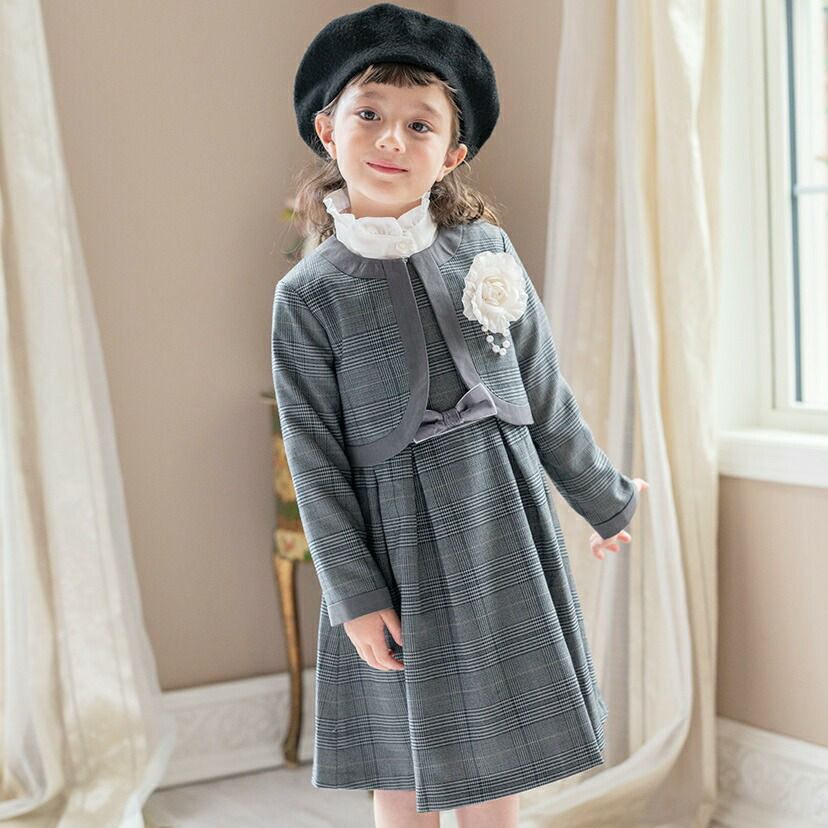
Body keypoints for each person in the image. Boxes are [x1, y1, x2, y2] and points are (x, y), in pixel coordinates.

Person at [272, 4, 649, 826]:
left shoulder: (487, 251)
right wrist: (354, 593)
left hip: (497, 519)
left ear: (452, 154)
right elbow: (314, 458)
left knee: (497, 745)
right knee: (402, 759)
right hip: (392, 539)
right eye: (369, 115)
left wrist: (603, 496)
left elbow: (541, 390)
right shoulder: (307, 295)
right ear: (328, 130)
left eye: (420, 124)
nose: (392, 139)